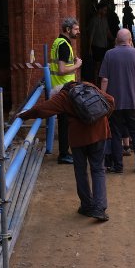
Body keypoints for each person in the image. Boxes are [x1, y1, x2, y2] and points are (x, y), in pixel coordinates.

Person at [17, 80, 115, 221]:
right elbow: (111, 100)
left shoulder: (63, 96)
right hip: (100, 134)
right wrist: (100, 119)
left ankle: (87, 206)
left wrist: (23, 115)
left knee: (81, 171)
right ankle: (99, 208)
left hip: (79, 138)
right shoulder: (88, 85)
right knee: (98, 169)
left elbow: (42, 109)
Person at [98, 28, 135, 174]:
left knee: (115, 134)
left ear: (116, 40)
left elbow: (105, 79)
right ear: (130, 40)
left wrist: (103, 97)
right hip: (134, 102)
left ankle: (118, 166)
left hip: (115, 103)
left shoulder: (109, 54)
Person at [49, 17, 82, 165]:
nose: (78, 32)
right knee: (64, 123)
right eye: (75, 29)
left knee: (64, 121)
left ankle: (65, 152)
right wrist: (77, 65)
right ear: (68, 30)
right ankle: (63, 154)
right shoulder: (63, 45)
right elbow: (62, 70)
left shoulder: (59, 42)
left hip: (58, 86)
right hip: (63, 87)